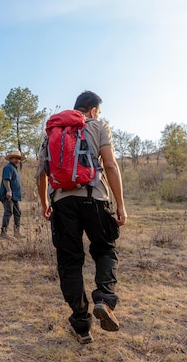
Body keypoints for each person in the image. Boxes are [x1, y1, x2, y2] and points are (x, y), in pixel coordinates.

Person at [36, 91, 127, 344]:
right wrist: (120, 204)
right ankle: (104, 300)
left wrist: (45, 203)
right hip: (94, 197)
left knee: (70, 261)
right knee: (105, 248)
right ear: (94, 110)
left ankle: (81, 326)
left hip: (61, 203)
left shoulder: (52, 132)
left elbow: (41, 174)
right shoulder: (98, 126)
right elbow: (110, 165)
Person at [0, 149, 24, 239]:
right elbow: (6, 180)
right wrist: (9, 191)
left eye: (18, 158)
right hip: (8, 195)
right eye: (15, 158)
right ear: (11, 159)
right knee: (8, 212)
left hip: (15, 196)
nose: (17, 160)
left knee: (18, 213)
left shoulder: (14, 168)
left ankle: (16, 232)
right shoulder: (8, 167)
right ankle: (3, 233)